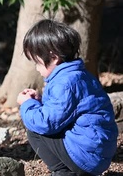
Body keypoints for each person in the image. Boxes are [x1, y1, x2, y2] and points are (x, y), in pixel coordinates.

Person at [17, 19, 118, 176]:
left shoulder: (65, 83)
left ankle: (62, 172)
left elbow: (46, 123)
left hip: (87, 155)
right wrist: (39, 102)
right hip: (97, 151)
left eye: (37, 62)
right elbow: (64, 112)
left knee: (34, 130)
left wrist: (27, 104)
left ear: (54, 57)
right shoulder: (78, 75)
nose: (36, 69)